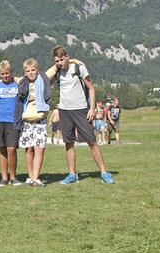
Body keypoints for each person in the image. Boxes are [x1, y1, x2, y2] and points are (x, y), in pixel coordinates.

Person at [49, 45, 114, 184]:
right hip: (64, 111)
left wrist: (92, 108)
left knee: (92, 141)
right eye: (56, 61)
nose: (59, 63)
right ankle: (72, 174)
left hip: (81, 110)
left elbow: (91, 88)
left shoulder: (79, 68)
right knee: (69, 143)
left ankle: (104, 172)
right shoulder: (57, 72)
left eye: (62, 59)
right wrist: (68, 61)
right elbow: (46, 81)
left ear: (67, 56)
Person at [14, 59, 50, 188]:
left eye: (33, 70)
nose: (31, 73)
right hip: (26, 121)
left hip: (40, 120)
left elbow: (55, 67)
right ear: (24, 73)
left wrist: (75, 60)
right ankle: (30, 177)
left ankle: (36, 178)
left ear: (37, 70)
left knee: (39, 149)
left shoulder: (44, 79)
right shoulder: (22, 82)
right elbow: (7, 78)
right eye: (28, 71)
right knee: (29, 149)